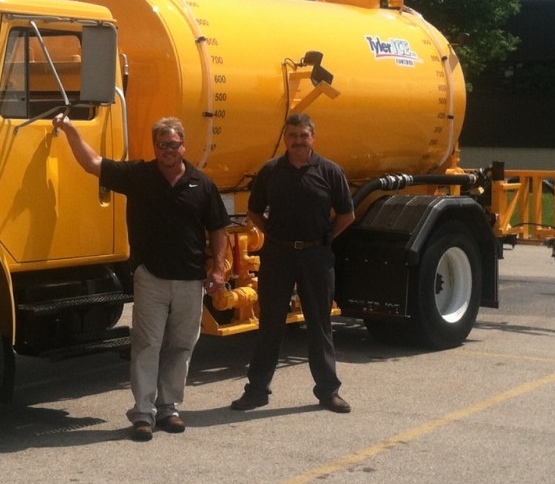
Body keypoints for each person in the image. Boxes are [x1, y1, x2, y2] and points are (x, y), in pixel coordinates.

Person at [54, 113, 230, 441]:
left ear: (183, 146)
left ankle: (169, 407)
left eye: (174, 145)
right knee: (148, 344)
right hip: (151, 277)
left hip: (191, 280)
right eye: (162, 145)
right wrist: (70, 129)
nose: (168, 150)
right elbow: (93, 163)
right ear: (155, 146)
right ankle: (143, 413)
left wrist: (218, 269)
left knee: (180, 346)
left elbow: (218, 229)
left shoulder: (201, 184)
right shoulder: (139, 175)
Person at [233, 111, 355, 414]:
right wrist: (272, 235)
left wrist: (325, 238)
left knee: (320, 324)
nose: (298, 142)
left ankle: (328, 392)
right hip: (278, 254)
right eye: (293, 136)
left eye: (304, 136)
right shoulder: (271, 170)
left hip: (316, 256)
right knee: (270, 324)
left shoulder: (329, 171)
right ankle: (257, 391)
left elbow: (347, 214)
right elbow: (254, 211)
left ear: (313, 136)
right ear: (285, 138)